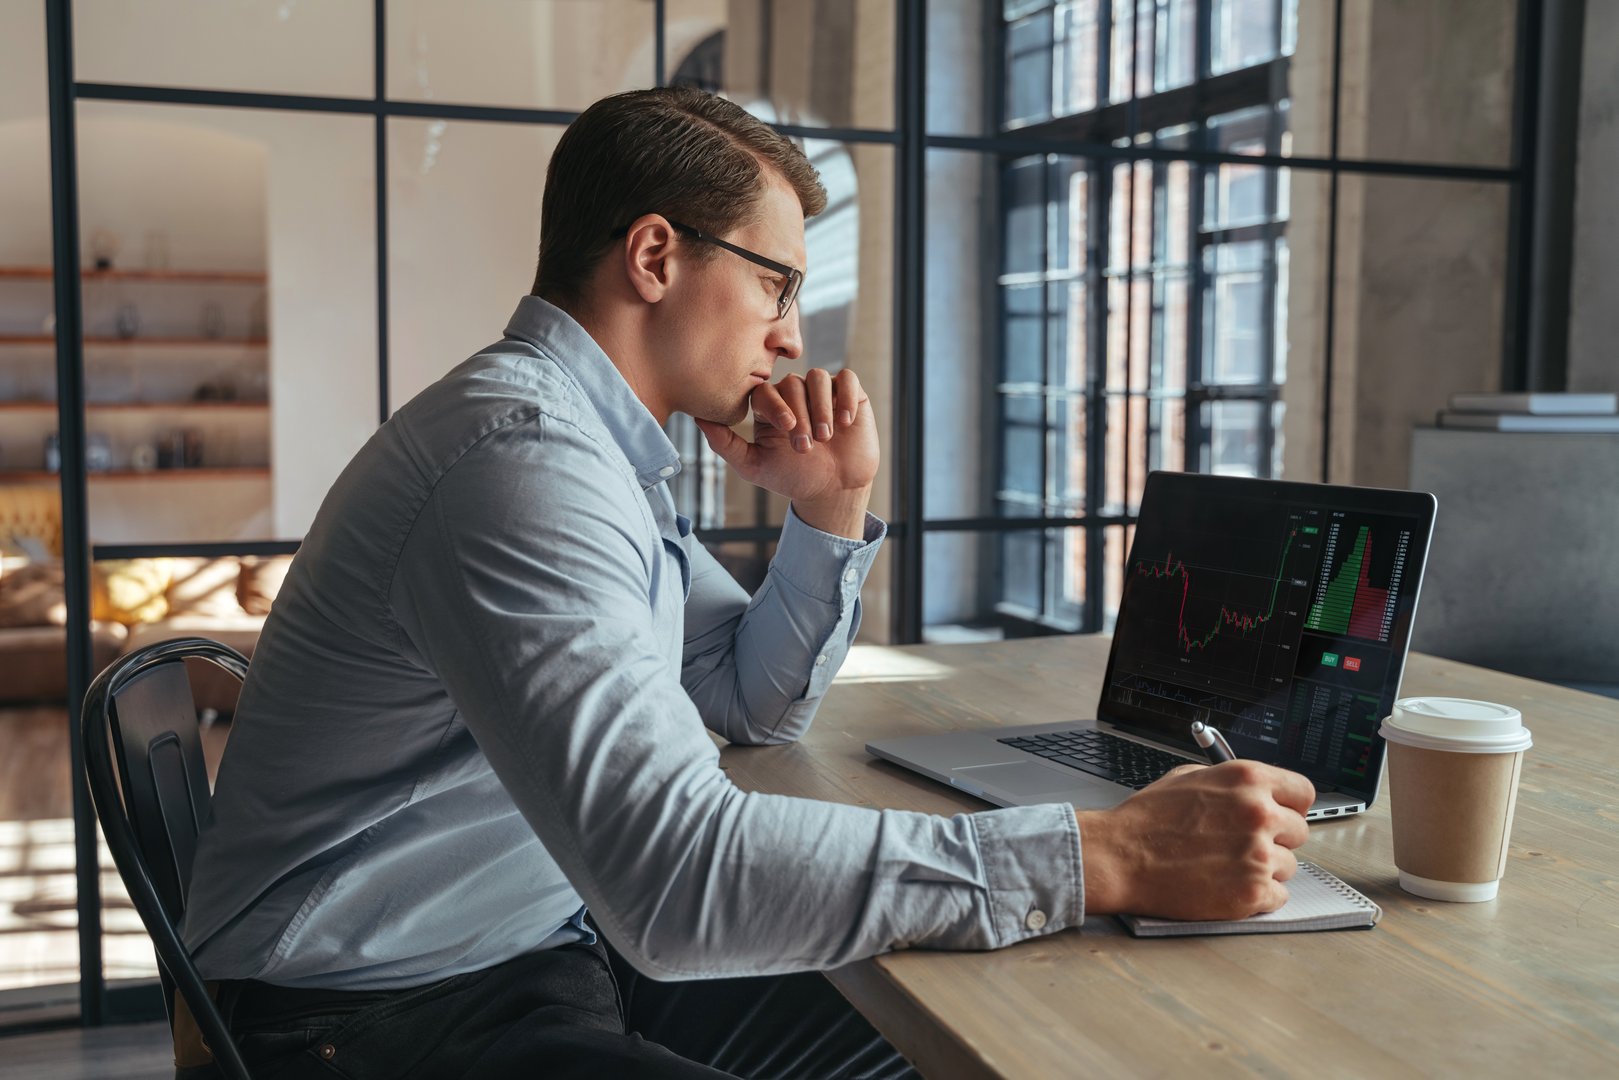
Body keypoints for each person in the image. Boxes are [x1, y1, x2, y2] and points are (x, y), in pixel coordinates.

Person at [179, 87, 1314, 1079]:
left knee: (958, 1023)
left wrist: (825, 505)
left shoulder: (594, 450)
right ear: (656, 257)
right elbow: (676, 879)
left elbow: (741, 697)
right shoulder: (520, 468)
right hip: (367, 1015)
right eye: (777, 284)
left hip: (522, 945)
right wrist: (1105, 852)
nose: (790, 337)